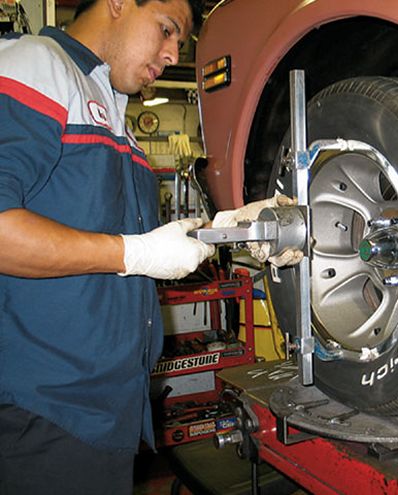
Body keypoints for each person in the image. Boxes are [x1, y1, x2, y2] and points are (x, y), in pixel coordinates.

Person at [0, 0, 287, 493]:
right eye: (167, 29)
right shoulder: (36, 65)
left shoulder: (113, 115)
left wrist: (229, 227)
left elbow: (120, 234)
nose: (174, 53)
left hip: (108, 407)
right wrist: (133, 255)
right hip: (45, 407)